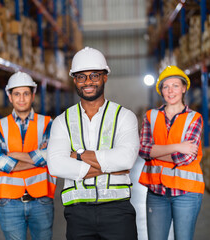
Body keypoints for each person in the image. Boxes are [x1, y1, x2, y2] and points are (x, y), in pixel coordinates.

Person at [47, 47, 139, 240]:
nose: (88, 82)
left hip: (118, 212)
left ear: (105, 77)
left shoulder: (124, 117)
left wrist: (77, 156)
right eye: (81, 77)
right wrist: (111, 167)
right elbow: (55, 164)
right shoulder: (62, 121)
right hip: (77, 214)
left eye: (94, 75)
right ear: (75, 80)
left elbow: (126, 159)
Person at [138, 65, 204, 240]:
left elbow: (187, 157)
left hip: (186, 193)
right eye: (166, 86)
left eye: (175, 86)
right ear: (161, 91)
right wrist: (177, 147)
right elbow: (143, 150)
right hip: (156, 192)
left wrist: (156, 151)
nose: (170, 90)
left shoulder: (194, 118)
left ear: (184, 88)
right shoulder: (150, 116)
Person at [0, 71, 57, 240]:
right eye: (17, 94)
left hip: (42, 199)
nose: (21, 98)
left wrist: (13, 155)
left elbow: (52, 154)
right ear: (10, 97)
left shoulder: (48, 123)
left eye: (26, 93)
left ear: (33, 95)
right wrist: (38, 161)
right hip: (9, 202)